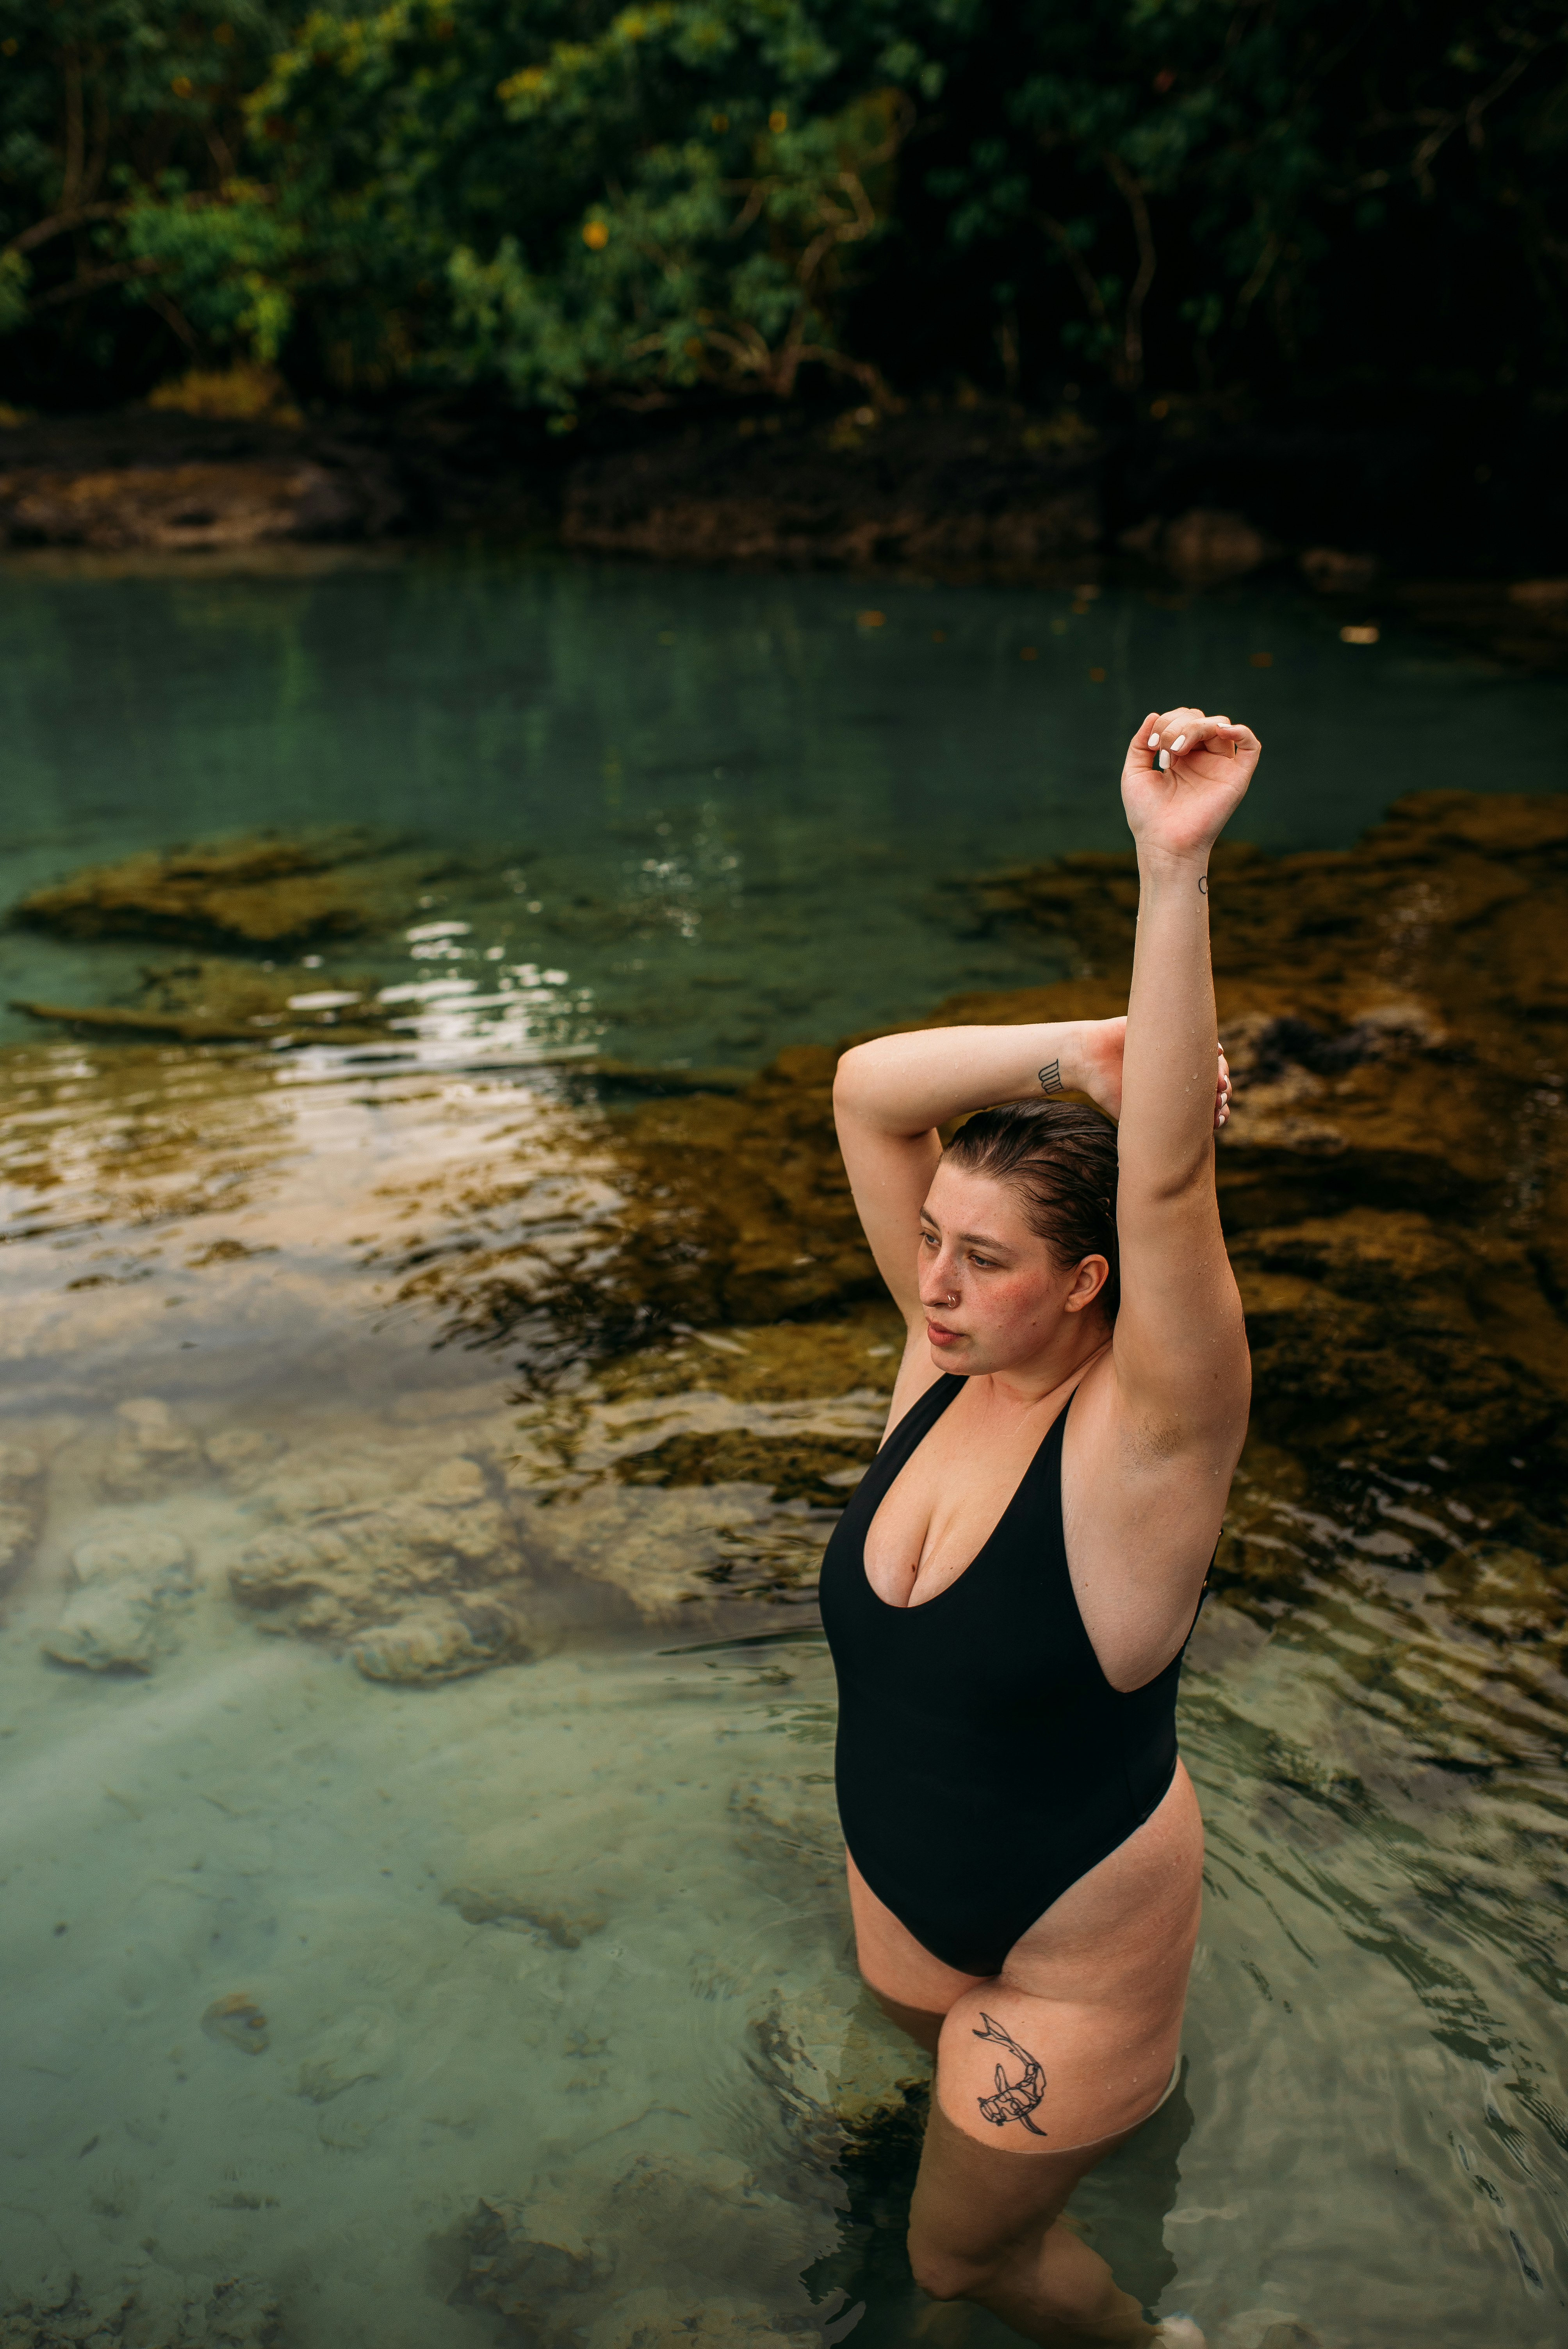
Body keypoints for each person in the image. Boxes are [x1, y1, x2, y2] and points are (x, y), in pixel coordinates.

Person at [821, 703, 1258, 2346]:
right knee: (913, 2158)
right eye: (929, 1241)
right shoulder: (941, 1365)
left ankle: (1164, 2344)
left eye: (981, 1258)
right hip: (912, 1902)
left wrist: (1169, 872)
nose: (929, 1284)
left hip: (1066, 1958)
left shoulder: (1152, 1435)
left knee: (965, 2270)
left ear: (1083, 1284)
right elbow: (868, 1094)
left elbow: (1160, 1192)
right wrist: (1078, 1050)